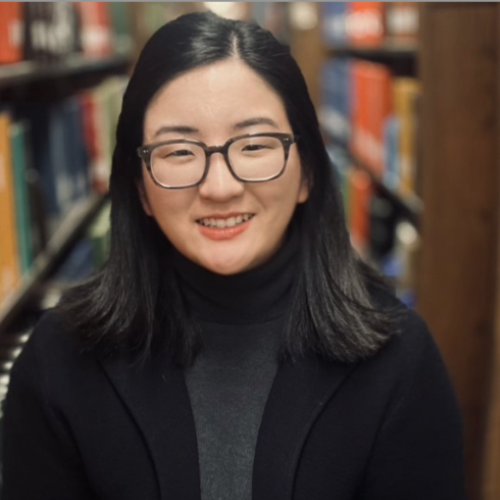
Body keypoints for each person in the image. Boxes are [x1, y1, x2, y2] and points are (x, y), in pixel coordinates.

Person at [1, 11, 467, 500]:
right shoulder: (57, 361)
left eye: (254, 144)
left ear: (307, 169)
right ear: (140, 188)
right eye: (179, 151)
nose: (219, 187)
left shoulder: (400, 360)